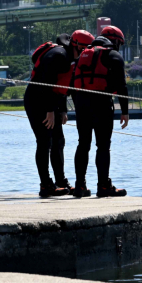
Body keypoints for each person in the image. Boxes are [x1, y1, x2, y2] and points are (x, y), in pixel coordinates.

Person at [25, 30, 94, 197]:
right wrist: (49, 111)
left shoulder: (68, 57)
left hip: (51, 101)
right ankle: (46, 185)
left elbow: (60, 84)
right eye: (84, 50)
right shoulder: (58, 56)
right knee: (44, 142)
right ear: (77, 46)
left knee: (58, 141)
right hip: (37, 100)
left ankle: (60, 181)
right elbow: (46, 83)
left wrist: (62, 110)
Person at [70, 25, 129, 198]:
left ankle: (79, 186)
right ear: (115, 41)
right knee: (103, 146)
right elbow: (122, 86)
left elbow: (73, 84)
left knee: (83, 144)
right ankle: (103, 186)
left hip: (81, 105)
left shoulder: (83, 55)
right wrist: (125, 111)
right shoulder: (113, 56)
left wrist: (79, 105)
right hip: (101, 103)